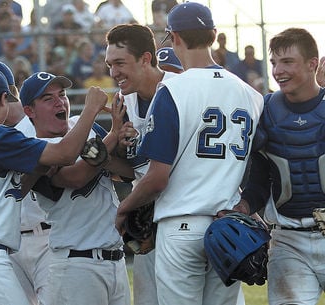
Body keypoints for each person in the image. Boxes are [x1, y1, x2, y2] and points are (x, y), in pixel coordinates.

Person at [114, 3, 264, 305]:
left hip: (181, 224)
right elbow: (261, 168)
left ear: (174, 37)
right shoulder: (252, 94)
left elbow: (157, 178)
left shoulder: (171, 90)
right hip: (229, 224)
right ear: (214, 35)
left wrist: (124, 208)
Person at [0, 65, 108, 305]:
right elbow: (65, 154)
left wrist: (36, 169)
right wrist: (90, 109)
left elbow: (2, 190)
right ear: (2, 98)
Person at [218, 27, 325, 305]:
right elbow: (260, 179)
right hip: (289, 241)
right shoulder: (264, 111)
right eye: (274, 62)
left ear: (312, 63)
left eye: (287, 61)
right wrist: (243, 207)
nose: (278, 70)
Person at [20, 71, 133, 305]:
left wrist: (118, 141)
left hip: (116, 259)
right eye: (47, 99)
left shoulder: (86, 128)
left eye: (62, 94)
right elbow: (76, 178)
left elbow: (126, 173)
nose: (59, 102)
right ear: (29, 111)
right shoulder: (33, 148)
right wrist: (108, 130)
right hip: (76, 265)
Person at [105, 23, 180, 305]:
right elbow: (129, 173)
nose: (113, 72)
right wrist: (113, 149)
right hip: (149, 218)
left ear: (146, 58)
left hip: (185, 213)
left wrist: (126, 208)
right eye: (110, 64)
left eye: (120, 63)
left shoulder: (178, 90)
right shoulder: (124, 100)